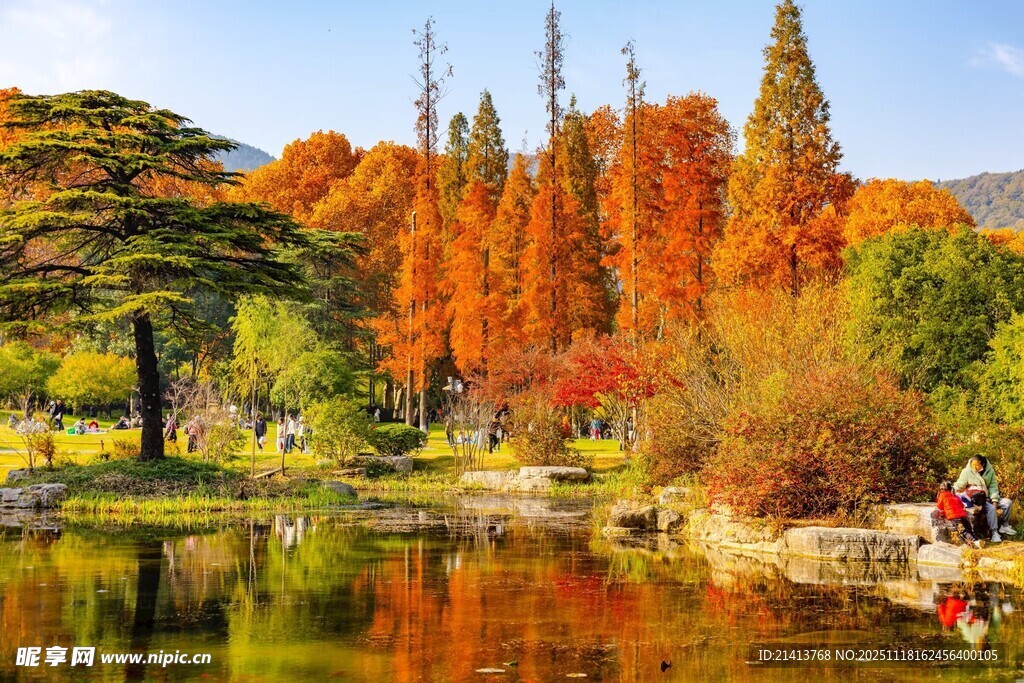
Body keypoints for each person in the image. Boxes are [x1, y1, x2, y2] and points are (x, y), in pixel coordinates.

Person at [955, 455, 1016, 543]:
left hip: (988, 496)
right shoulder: (966, 471)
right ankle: (994, 532)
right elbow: (960, 484)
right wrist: (952, 489)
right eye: (973, 465)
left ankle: (1004, 525)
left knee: (1007, 503)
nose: (974, 467)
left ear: (983, 464)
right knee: (991, 508)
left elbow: (993, 486)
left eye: (977, 465)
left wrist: (995, 500)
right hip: (977, 499)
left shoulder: (990, 471)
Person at [937, 482, 983, 548]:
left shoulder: (942, 495)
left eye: (941, 489)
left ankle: (975, 543)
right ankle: (976, 539)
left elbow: (939, 506)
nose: (940, 490)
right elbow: (961, 505)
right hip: (963, 515)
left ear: (943, 489)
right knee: (968, 529)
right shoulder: (955, 495)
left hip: (954, 516)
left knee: (963, 531)